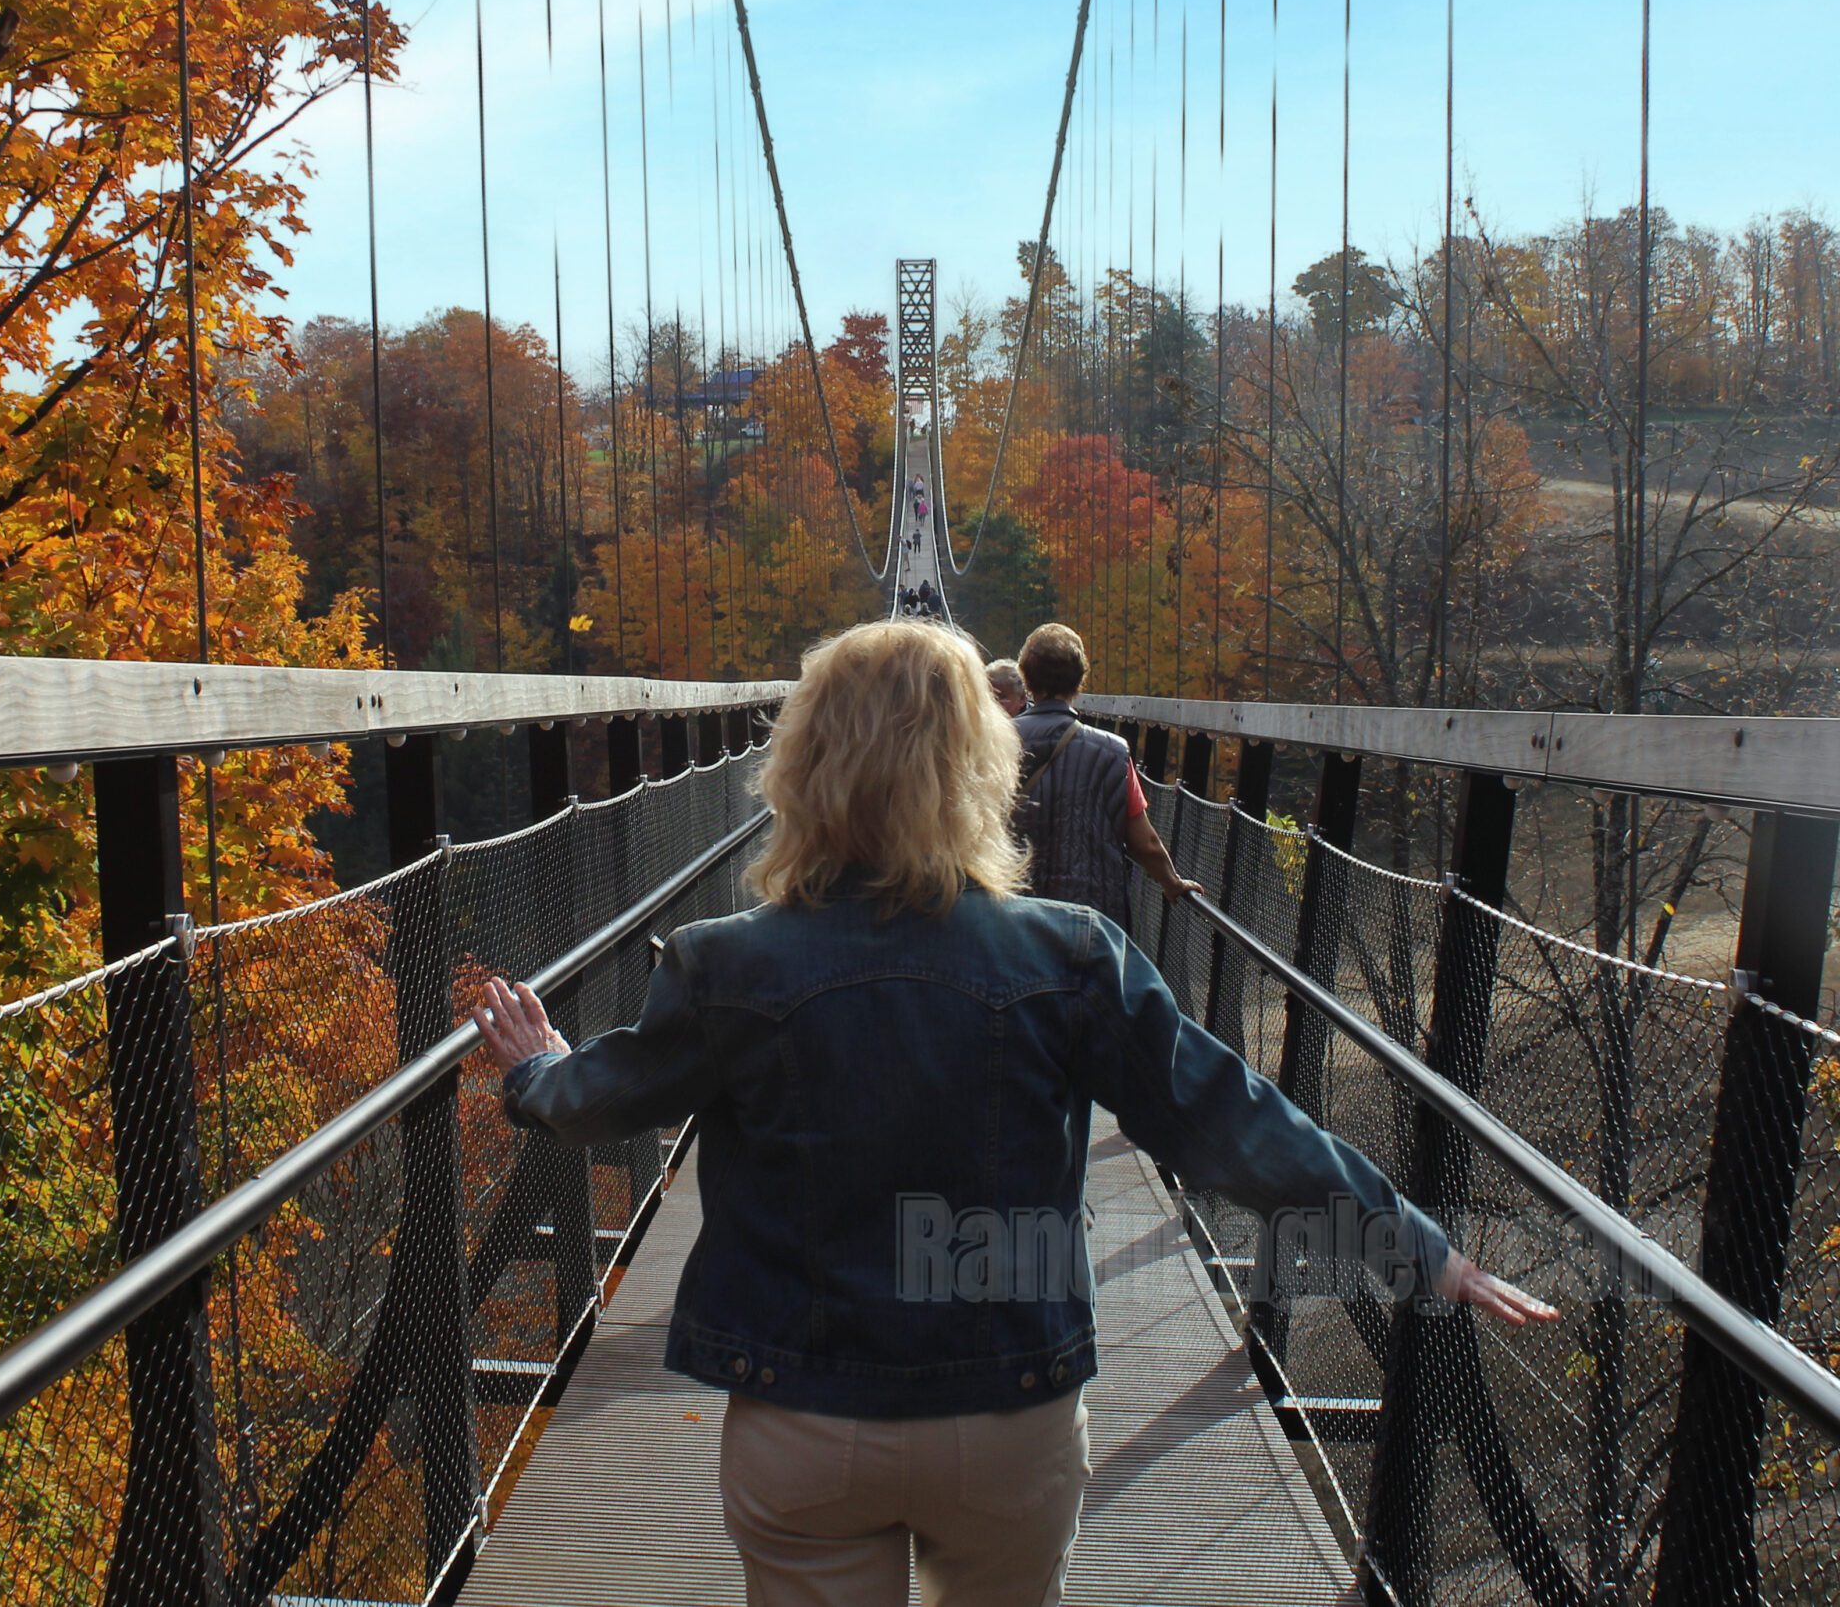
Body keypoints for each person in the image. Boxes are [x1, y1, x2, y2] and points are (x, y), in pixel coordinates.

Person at [471, 620, 1553, 1607]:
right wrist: (1415, 1246)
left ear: (797, 766)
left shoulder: (725, 964)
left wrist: (537, 1070)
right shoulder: (1073, 955)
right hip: (1009, 1409)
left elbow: (606, 1101)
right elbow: (1223, 1116)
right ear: (981, 767)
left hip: (802, 1407)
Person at [1009, 621, 1193, 925]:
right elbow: (1143, 841)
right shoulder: (1114, 752)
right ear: (1081, 678)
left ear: (1026, 678)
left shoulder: (995, 743)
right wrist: (1171, 882)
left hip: (1014, 915)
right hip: (1092, 918)